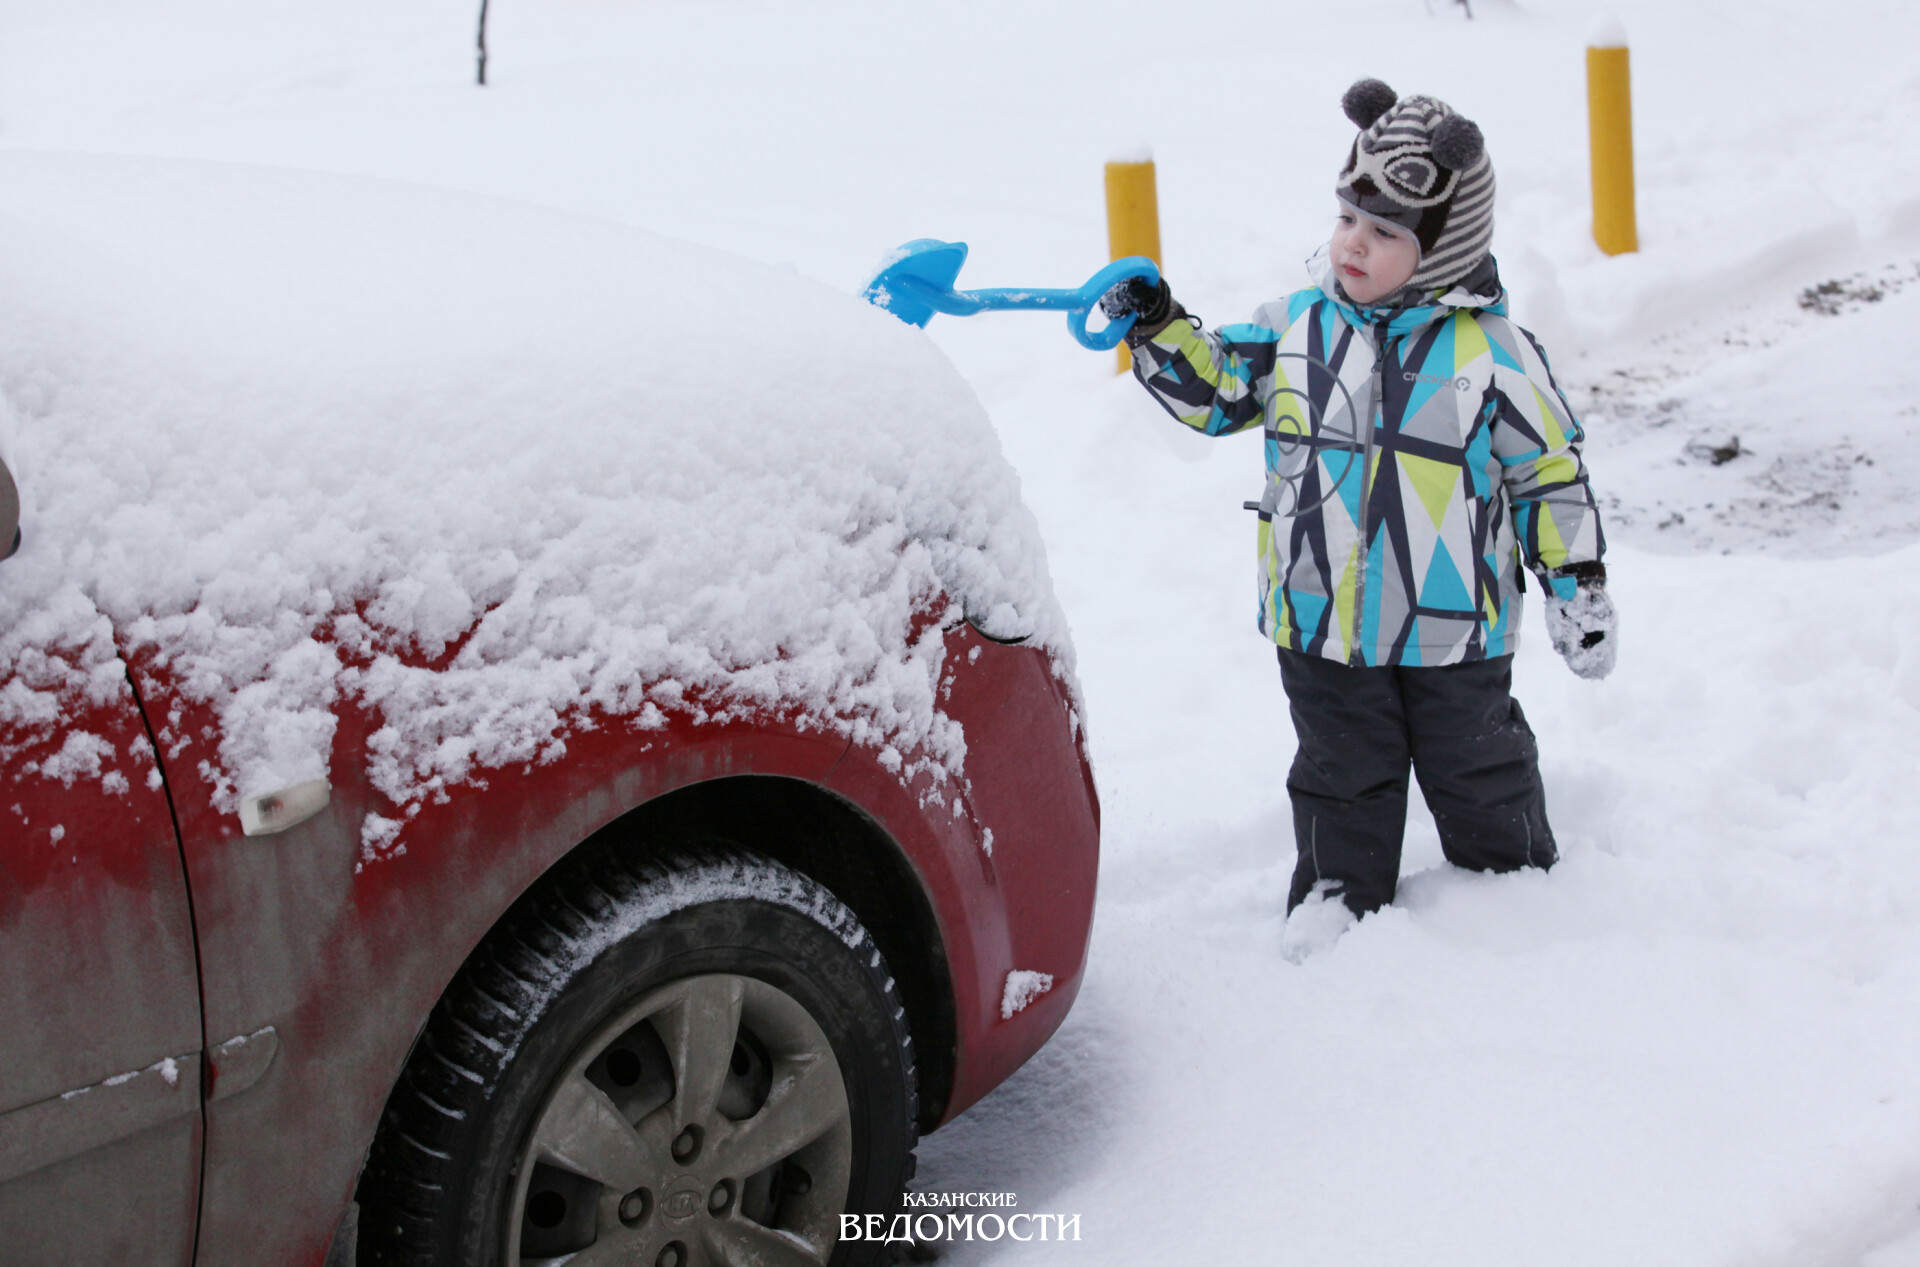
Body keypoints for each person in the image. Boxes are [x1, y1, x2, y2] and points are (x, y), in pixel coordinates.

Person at [1101, 79, 1615, 926]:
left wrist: (1578, 578)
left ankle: (1516, 898)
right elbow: (1220, 387)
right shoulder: (1295, 327)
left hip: (1455, 626)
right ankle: (1340, 904)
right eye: (1347, 218)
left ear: (1443, 249)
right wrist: (1158, 326)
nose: (1353, 244)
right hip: (1322, 615)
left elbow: (1547, 473)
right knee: (1341, 771)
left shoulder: (1495, 353)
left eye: (1384, 232)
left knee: (1478, 763)